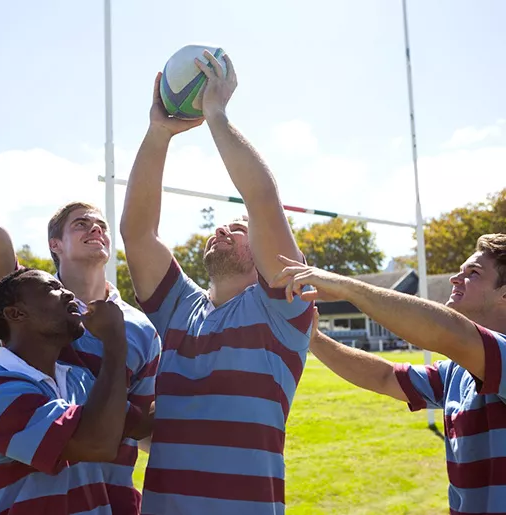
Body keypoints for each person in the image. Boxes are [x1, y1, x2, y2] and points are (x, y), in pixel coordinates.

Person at [0, 38, 160, 513]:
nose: (95, 228)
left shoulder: (140, 329)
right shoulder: (27, 296)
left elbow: (148, 428)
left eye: (101, 224)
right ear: (55, 245)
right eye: (80, 223)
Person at [120, 51, 314, 515]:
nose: (223, 229)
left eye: (239, 228)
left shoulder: (285, 311)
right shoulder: (175, 308)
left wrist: (217, 115)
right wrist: (158, 133)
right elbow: (137, 234)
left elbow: (262, 198)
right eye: (223, 224)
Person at [270, 234, 506, 515]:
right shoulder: (457, 372)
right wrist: (315, 338)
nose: (456, 278)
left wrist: (347, 288)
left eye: (473, 273)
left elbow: (447, 332)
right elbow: (384, 377)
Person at [0, 268, 149, 514]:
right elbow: (96, 444)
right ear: (15, 313)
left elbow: (139, 424)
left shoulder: (77, 379)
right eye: (52, 288)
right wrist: (114, 340)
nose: (68, 293)